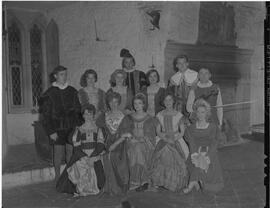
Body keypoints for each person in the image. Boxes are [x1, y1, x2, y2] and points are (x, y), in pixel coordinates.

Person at [39, 65, 81, 183]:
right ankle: (57, 176)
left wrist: (78, 126)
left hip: (71, 127)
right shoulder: (48, 93)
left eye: (65, 74)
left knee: (70, 153)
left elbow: (78, 109)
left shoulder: (72, 91)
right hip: (56, 129)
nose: (64, 77)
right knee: (58, 154)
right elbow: (45, 115)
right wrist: (51, 131)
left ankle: (69, 176)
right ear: (55, 76)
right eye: (61, 74)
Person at [56, 104, 105, 196]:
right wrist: (84, 157)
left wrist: (93, 157)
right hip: (81, 155)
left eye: (90, 114)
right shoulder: (79, 129)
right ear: (82, 115)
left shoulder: (98, 129)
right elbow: (77, 146)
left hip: (94, 155)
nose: (88, 116)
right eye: (85, 114)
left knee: (101, 182)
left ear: (93, 115)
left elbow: (100, 144)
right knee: (77, 168)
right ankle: (80, 188)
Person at [117, 93, 158, 192]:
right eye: (135, 103)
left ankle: (141, 181)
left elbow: (152, 134)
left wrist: (142, 139)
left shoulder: (150, 118)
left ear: (144, 104)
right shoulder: (128, 117)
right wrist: (130, 138)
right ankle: (139, 182)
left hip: (146, 143)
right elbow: (122, 131)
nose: (137, 106)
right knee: (136, 148)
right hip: (131, 142)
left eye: (139, 103)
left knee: (138, 148)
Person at [149, 92, 189, 192]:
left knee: (179, 155)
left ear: (173, 101)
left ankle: (174, 182)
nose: (168, 102)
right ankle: (160, 181)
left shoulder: (179, 115)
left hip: (176, 138)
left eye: (170, 100)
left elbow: (182, 132)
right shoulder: (159, 115)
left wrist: (174, 139)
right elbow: (158, 131)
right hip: (163, 138)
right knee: (161, 153)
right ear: (163, 102)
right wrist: (165, 138)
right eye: (166, 100)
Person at [183, 99, 224, 193]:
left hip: (209, 153)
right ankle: (195, 182)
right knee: (198, 158)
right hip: (195, 151)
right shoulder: (191, 128)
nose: (200, 114)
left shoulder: (213, 127)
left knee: (202, 158)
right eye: (198, 112)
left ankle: (194, 182)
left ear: (207, 113)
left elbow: (214, 144)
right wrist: (194, 154)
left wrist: (208, 156)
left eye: (203, 112)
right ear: (195, 113)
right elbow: (192, 143)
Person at [96, 92, 130, 195]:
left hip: (120, 142)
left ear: (119, 102)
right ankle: (108, 186)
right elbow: (99, 131)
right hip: (106, 142)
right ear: (108, 102)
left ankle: (118, 187)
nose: (113, 104)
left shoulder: (123, 116)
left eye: (116, 102)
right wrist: (102, 145)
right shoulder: (104, 115)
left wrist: (115, 144)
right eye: (111, 102)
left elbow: (126, 134)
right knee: (105, 156)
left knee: (114, 156)